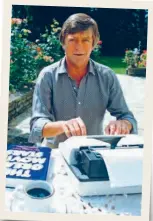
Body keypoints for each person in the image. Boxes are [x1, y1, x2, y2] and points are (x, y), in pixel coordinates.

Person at [28, 13, 137, 148]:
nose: (78, 46)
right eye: (73, 40)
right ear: (63, 42)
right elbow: (37, 126)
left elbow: (127, 116)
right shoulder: (48, 76)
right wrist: (63, 125)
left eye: (85, 40)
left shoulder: (107, 76)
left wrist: (124, 124)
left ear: (94, 43)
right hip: (56, 152)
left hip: (94, 151)